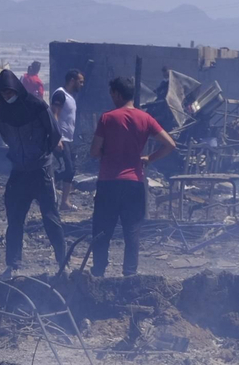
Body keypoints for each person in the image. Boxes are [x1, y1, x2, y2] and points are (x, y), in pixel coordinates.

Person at [89, 76, 175, 277]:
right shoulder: (145, 118)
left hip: (108, 183)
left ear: (117, 94)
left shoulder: (107, 118)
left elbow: (94, 151)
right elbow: (170, 144)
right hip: (134, 184)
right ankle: (130, 274)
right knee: (132, 231)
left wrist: (107, 155)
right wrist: (149, 158)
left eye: (112, 94)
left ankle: (99, 272)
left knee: (102, 231)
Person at [0, 69, 66, 278]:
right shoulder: (2, 111)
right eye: (4, 94)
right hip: (19, 172)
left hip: (41, 171)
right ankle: (13, 264)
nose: (8, 96)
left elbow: (54, 133)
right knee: (15, 219)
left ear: (16, 88)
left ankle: (63, 262)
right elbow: (6, 137)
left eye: (10, 92)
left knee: (50, 218)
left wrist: (42, 155)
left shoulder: (37, 106)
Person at [51, 69, 85, 210]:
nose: (82, 85)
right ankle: (45, 188)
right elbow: (54, 116)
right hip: (61, 139)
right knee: (67, 169)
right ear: (72, 80)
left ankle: (64, 202)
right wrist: (56, 138)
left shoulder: (70, 97)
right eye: (80, 81)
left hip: (68, 139)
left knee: (71, 170)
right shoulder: (60, 94)